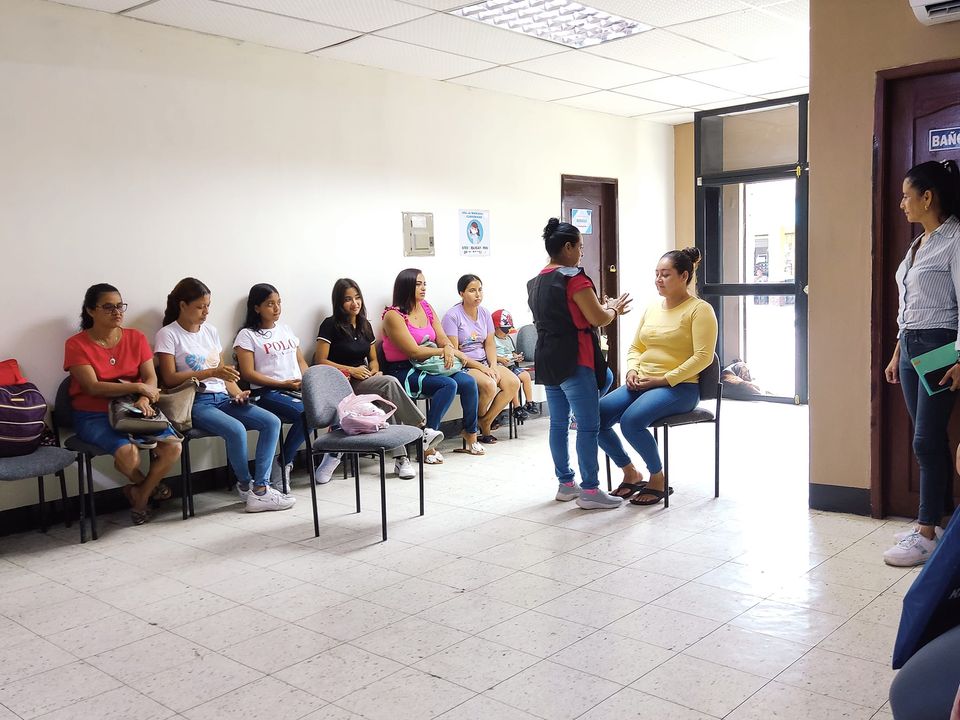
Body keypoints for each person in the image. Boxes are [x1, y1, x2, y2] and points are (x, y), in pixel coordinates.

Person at [156, 277, 293, 513]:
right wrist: (211, 372)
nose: (206, 312)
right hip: (195, 402)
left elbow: (224, 374)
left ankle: (261, 487)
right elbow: (169, 378)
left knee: (271, 422)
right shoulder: (168, 334)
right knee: (236, 430)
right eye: (200, 306)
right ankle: (248, 486)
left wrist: (238, 393)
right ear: (182, 305)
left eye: (208, 305)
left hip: (223, 398)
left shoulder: (210, 331)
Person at [883, 159, 960, 567]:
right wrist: (898, 350)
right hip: (912, 346)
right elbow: (907, 305)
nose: (902, 204)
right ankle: (940, 520)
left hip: (940, 346)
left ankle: (926, 532)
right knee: (928, 438)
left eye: (906, 197)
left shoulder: (955, 239)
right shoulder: (918, 244)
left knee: (925, 442)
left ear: (927, 197)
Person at [601, 248, 718, 506]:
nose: (658, 280)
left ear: (684, 276)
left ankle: (658, 478)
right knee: (594, 417)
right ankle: (630, 472)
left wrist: (663, 379)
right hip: (642, 383)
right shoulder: (652, 309)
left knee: (631, 421)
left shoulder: (700, 310)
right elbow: (636, 347)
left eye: (665, 274)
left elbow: (703, 357)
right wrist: (632, 370)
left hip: (680, 388)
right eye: (656, 274)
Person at [527, 218, 630, 509]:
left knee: (558, 424)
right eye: (580, 247)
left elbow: (570, 314)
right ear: (567, 247)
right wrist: (612, 308)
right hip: (575, 357)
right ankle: (590, 490)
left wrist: (602, 308)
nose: (582, 253)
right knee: (588, 426)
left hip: (547, 357)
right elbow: (597, 318)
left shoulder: (535, 282)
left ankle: (566, 484)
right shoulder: (574, 279)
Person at [64, 284, 182, 525]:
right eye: (108, 307)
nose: (117, 312)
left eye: (119, 306)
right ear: (91, 310)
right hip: (94, 413)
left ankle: (141, 496)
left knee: (173, 448)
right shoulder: (76, 344)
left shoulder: (135, 338)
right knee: (129, 456)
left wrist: (144, 398)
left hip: (136, 409)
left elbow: (150, 378)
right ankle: (148, 488)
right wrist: (137, 388)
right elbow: (92, 387)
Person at [315, 278, 442, 480]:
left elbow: (373, 360)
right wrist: (352, 370)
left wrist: (374, 371)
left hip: (362, 380)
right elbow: (319, 360)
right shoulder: (330, 325)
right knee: (389, 385)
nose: (354, 303)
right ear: (339, 302)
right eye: (348, 299)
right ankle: (420, 432)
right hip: (340, 383)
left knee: (387, 393)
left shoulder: (364, 325)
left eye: (357, 298)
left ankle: (402, 458)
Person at [381, 268, 484, 458]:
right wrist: (444, 351)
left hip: (429, 365)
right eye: (418, 284)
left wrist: (447, 346)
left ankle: (471, 435)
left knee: (469, 382)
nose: (423, 288)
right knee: (448, 384)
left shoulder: (426, 307)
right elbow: (414, 351)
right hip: (404, 369)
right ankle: (427, 441)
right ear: (405, 287)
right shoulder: (393, 315)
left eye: (424, 284)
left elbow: (441, 337)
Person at [234, 283, 311, 489]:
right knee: (308, 414)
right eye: (270, 304)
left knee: (321, 409)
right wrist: (282, 383)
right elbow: (247, 373)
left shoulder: (285, 329)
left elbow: (300, 361)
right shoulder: (247, 335)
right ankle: (283, 463)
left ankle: (286, 461)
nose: (277, 308)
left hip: (294, 388)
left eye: (279, 303)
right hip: (266, 392)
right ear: (256, 307)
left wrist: (308, 381)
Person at [442, 275, 520, 443]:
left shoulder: (484, 313)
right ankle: (476, 426)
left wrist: (493, 365)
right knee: (489, 385)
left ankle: (485, 421)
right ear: (461, 293)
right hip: (464, 365)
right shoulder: (452, 316)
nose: (477, 294)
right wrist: (483, 368)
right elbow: (455, 352)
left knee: (513, 382)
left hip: (485, 361)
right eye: (472, 290)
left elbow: (489, 344)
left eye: (480, 290)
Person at [491, 308, 539, 421]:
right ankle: (517, 407)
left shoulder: (507, 338)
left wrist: (517, 356)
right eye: (504, 329)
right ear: (495, 327)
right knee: (513, 382)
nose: (507, 332)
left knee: (525, 376)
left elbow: (512, 352)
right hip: (500, 367)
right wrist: (501, 359)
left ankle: (529, 402)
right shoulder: (491, 339)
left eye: (508, 329)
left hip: (511, 365)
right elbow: (490, 355)